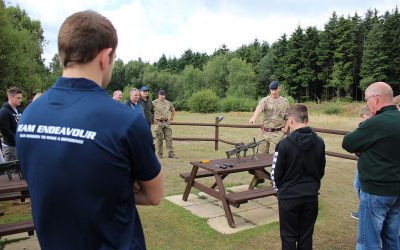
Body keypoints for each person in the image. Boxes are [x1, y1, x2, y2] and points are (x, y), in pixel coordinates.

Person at [15, 11, 163, 249]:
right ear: (105, 56)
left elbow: (45, 179)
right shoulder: (125, 121)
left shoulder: (28, 117)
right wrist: (113, 184)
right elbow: (153, 194)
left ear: (63, 55)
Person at [342, 82, 400, 250]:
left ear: (375, 99)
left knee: (368, 242)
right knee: (391, 239)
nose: (366, 103)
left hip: (376, 192)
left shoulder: (376, 123)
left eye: (367, 99)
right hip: (396, 192)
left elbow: (349, 142)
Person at [271, 103, 326, 250]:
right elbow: (321, 171)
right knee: (306, 236)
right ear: (306, 119)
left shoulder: (283, 144)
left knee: (288, 236)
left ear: (291, 121)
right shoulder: (319, 142)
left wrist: (281, 189)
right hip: (310, 195)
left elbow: (276, 174)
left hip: (289, 197)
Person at [249, 81, 289, 185]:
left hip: (278, 133)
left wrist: (286, 128)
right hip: (265, 132)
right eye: (271, 90)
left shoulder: (284, 102)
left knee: (277, 157)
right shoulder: (265, 100)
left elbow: (288, 117)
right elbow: (259, 108)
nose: (273, 91)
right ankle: (259, 177)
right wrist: (254, 116)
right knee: (260, 157)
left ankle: (276, 180)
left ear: (279, 88)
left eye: (275, 89)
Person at [351, 106, 372, 220]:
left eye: (363, 117)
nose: (362, 120)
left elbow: (351, 143)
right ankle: (364, 210)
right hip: (364, 161)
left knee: (359, 186)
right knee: (358, 186)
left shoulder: (368, 127)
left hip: (367, 163)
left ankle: (366, 211)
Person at [0, 87, 23, 161]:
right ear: (10, 97)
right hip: (10, 147)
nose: (20, 100)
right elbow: (5, 130)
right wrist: (17, 139)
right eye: (18, 98)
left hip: (19, 145)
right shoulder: (4, 111)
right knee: (12, 171)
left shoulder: (18, 110)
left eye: (21, 98)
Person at [152, 89, 177, 158]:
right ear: (158, 95)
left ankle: (171, 153)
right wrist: (152, 118)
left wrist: (171, 119)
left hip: (166, 123)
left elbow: (173, 111)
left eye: (164, 95)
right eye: (161, 95)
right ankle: (159, 154)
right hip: (158, 123)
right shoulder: (154, 102)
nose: (162, 96)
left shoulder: (168, 103)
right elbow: (149, 111)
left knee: (169, 138)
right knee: (159, 138)